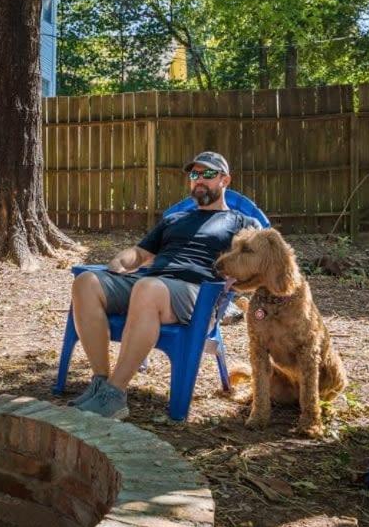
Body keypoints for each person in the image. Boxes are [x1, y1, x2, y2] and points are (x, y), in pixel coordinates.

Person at [69, 151, 261, 419]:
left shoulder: (242, 222)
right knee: (85, 282)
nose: (199, 180)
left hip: (194, 292)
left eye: (208, 174)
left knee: (148, 288)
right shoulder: (174, 219)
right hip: (148, 282)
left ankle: (115, 394)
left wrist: (237, 278)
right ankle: (101, 383)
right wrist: (120, 262)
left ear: (225, 180)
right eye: (194, 174)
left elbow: (259, 261)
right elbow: (140, 253)